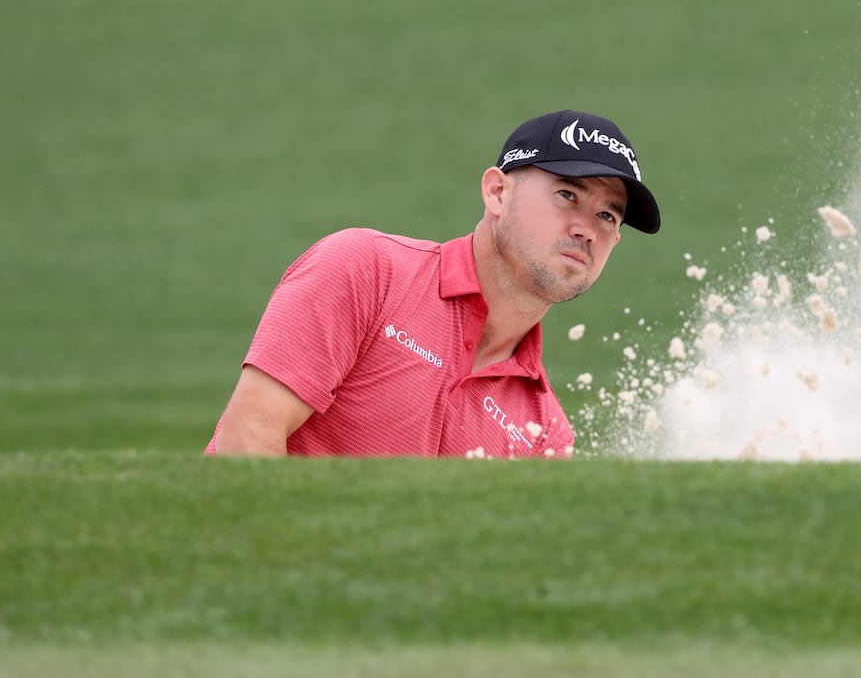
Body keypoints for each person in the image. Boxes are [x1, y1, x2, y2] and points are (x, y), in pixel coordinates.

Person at [206, 110, 660, 458]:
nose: (586, 229)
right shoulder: (365, 270)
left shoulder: (545, 433)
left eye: (606, 215)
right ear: (497, 193)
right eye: (567, 195)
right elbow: (248, 439)